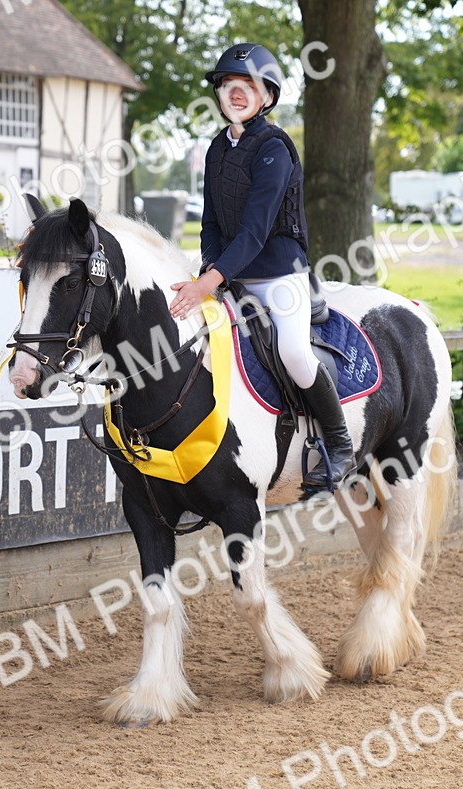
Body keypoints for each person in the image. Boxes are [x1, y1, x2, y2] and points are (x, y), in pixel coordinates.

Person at [169, 42, 356, 492]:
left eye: (247, 85)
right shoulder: (216, 149)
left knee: (293, 350)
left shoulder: (274, 148)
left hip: (279, 275)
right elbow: (211, 222)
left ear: (266, 97)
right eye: (228, 84)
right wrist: (210, 269)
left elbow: (254, 230)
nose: (236, 92)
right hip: (231, 275)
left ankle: (339, 441)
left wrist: (208, 282)